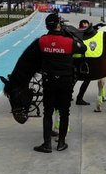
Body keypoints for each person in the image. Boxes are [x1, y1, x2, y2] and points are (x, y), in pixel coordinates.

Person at [33, 12, 85, 153]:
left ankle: (47, 144)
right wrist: (68, 34)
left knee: (48, 112)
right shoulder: (69, 42)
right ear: (58, 25)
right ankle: (61, 143)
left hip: (49, 81)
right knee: (64, 112)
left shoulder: (42, 41)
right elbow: (83, 47)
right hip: (66, 81)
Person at [75, 18, 95, 105]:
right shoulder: (78, 34)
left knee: (76, 79)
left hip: (81, 60)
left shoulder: (75, 33)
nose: (85, 26)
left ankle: (77, 97)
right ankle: (79, 98)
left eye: (86, 25)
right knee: (86, 79)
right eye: (84, 25)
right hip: (78, 60)